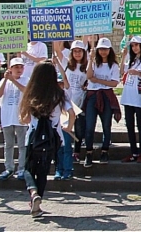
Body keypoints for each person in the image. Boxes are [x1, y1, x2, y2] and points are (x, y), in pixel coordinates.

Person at [19, 62, 75, 217]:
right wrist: (68, 128)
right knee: (43, 171)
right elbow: (72, 114)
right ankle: (37, 203)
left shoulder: (31, 93)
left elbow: (24, 119)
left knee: (28, 168)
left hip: (33, 137)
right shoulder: (60, 94)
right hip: (53, 137)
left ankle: (33, 193)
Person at [83, 37, 121, 168]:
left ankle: (105, 150)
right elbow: (89, 76)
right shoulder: (93, 62)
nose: (103, 52)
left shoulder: (114, 65)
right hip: (92, 95)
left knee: (106, 125)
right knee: (89, 126)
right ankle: (89, 152)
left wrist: (98, 81)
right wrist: (90, 59)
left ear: (109, 50)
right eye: (101, 49)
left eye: (105, 49)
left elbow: (114, 82)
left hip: (106, 96)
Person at [54, 40, 88, 179]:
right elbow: (57, 52)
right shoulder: (66, 66)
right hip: (60, 110)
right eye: (75, 51)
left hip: (77, 103)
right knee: (59, 144)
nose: (77, 53)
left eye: (80, 51)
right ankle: (59, 169)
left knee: (71, 139)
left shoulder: (86, 66)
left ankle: (68, 168)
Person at [0, 58, 28, 181]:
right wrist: (5, 79)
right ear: (11, 68)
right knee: (8, 144)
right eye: (16, 67)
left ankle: (22, 168)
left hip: (21, 117)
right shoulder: (5, 80)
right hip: (7, 117)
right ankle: (9, 167)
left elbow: (26, 91)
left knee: (22, 145)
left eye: (21, 67)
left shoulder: (26, 80)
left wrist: (13, 80)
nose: (19, 70)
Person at [119, 36, 141, 163]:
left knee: (140, 125)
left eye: (137, 45)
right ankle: (134, 152)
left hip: (138, 96)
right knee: (129, 126)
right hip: (128, 96)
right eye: (133, 45)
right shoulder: (131, 59)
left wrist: (137, 73)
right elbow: (121, 72)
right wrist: (124, 56)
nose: (135, 48)